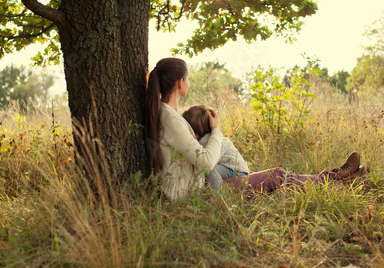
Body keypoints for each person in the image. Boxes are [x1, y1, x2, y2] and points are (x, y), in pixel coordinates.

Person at [145, 57, 365, 201]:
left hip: (204, 184)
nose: (190, 84)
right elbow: (205, 161)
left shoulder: (171, 115)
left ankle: (338, 178)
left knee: (277, 175)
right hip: (199, 192)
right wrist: (216, 130)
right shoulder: (171, 119)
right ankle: (336, 180)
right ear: (181, 83)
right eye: (189, 79)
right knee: (277, 175)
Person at [182, 104, 250, 190]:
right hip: (226, 169)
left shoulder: (211, 140)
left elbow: (210, 161)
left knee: (209, 169)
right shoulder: (207, 139)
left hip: (235, 170)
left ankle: (217, 196)